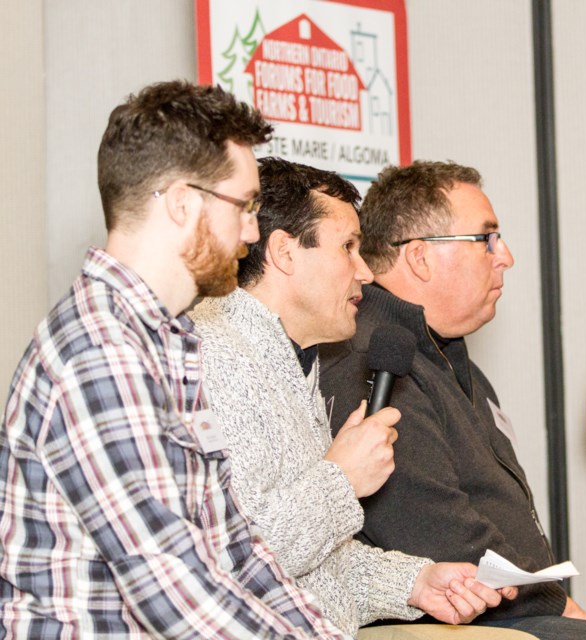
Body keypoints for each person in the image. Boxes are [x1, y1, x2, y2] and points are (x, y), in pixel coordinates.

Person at [0, 81, 348, 638]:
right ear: (185, 204)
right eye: (246, 205)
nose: (254, 230)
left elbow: (236, 549)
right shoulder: (100, 350)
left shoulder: (169, 340)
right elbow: (173, 589)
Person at [189, 157, 524, 640]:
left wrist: (415, 582)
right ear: (285, 253)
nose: (365, 272)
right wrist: (340, 480)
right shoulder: (216, 360)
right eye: (348, 247)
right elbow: (234, 564)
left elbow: (316, 565)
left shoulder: (290, 358)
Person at [317, 160, 586, 640]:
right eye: (486, 239)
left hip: (515, 611)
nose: (505, 256)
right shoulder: (377, 362)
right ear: (420, 257)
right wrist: (558, 605)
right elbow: (433, 534)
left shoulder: (447, 358)